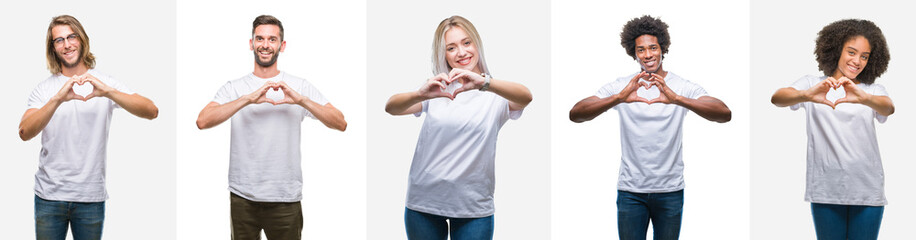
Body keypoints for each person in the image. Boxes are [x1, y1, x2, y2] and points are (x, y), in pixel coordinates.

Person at [568, 15, 731, 240]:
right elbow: (576, 113)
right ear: (633, 53)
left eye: (653, 48)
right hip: (630, 191)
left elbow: (724, 113)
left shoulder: (681, 86)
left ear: (662, 49)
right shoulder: (622, 86)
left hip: (670, 191)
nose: (648, 55)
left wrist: (677, 99)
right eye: (641, 50)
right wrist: (619, 97)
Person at [195, 15, 347, 240]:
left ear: (281, 45)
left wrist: (301, 100)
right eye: (260, 38)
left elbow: (340, 122)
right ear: (251, 43)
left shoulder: (299, 86)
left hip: (285, 198)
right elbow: (202, 121)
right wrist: (247, 99)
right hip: (243, 197)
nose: (265, 45)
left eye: (272, 39)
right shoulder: (235, 88)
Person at [384, 15, 532, 240]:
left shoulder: (494, 93)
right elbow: (391, 108)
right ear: (443, 54)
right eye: (451, 47)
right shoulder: (436, 88)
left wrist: (484, 83)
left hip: (473, 206)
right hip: (424, 202)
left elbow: (526, 97)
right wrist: (419, 94)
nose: (461, 53)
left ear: (477, 44)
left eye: (466, 43)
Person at [18, 15, 159, 240]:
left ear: (82, 40)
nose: (67, 44)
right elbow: (24, 132)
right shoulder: (44, 90)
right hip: (49, 196)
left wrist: (109, 93)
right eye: (59, 40)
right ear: (53, 48)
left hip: (90, 198)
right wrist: (57, 100)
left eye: (72, 36)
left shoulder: (105, 83)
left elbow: (151, 111)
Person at [770, 19, 893, 240]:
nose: (857, 61)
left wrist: (863, 97)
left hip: (867, 191)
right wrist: (806, 95)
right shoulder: (812, 84)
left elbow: (888, 107)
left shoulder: (872, 89)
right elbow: (777, 98)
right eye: (851, 52)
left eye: (864, 56)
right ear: (837, 49)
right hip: (826, 190)